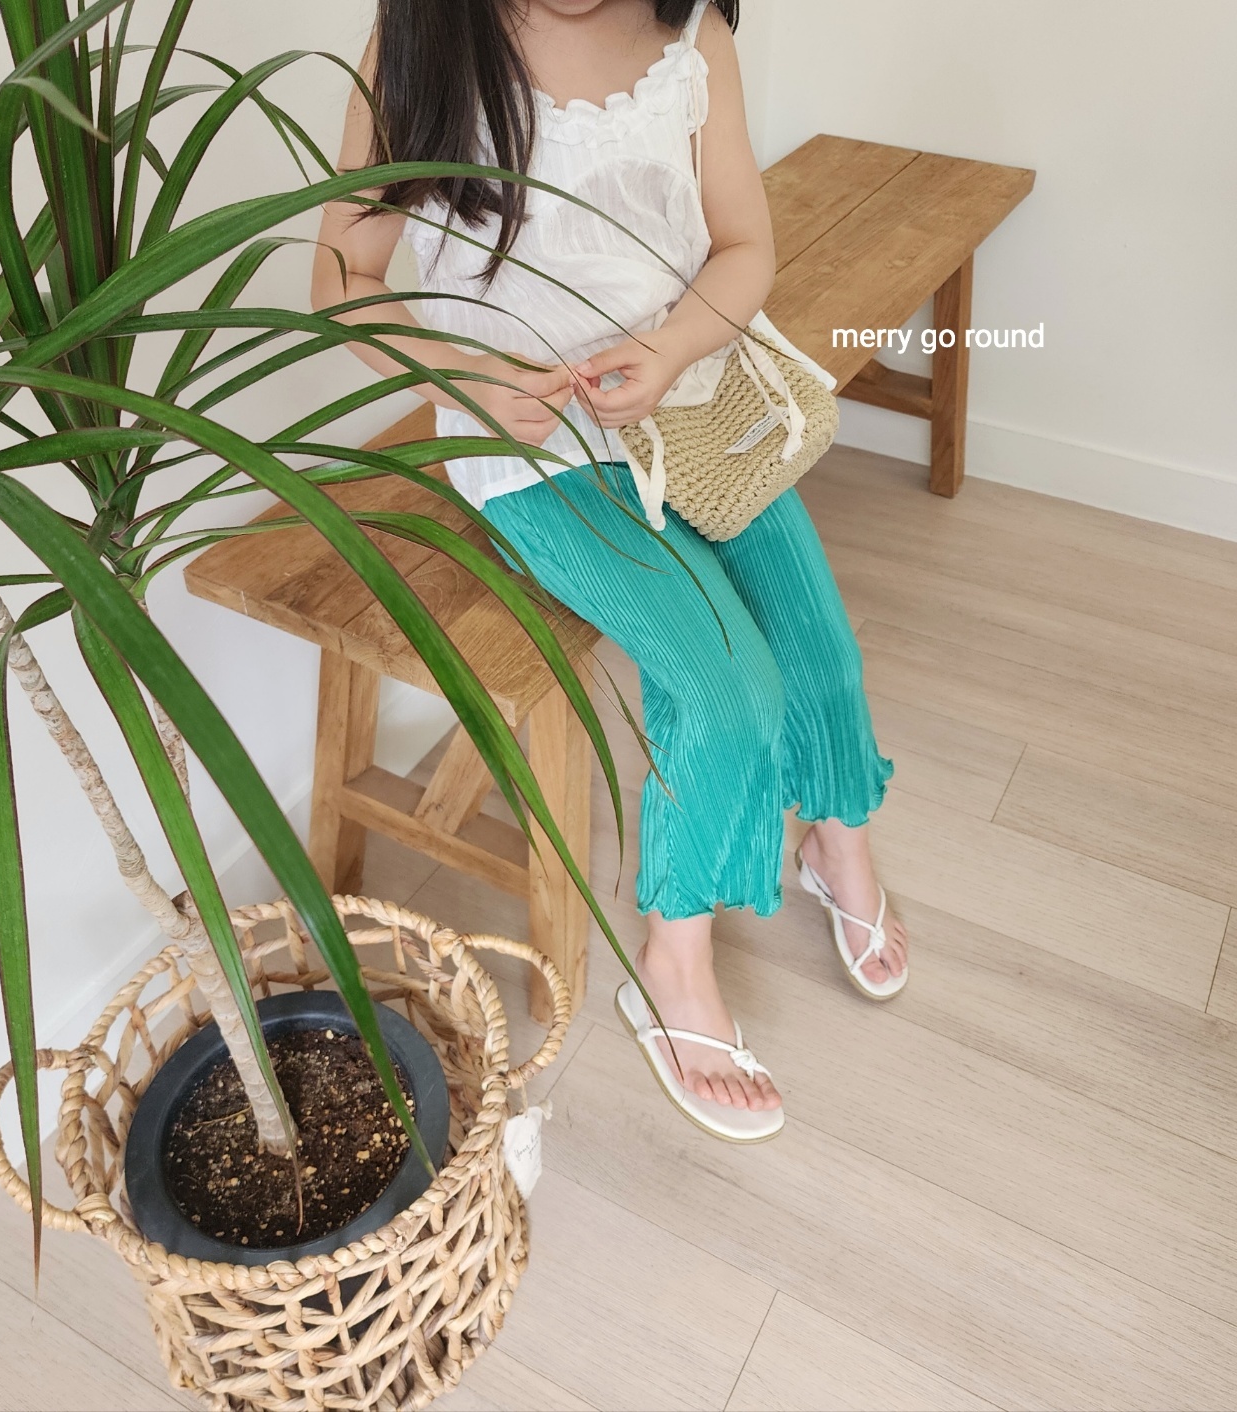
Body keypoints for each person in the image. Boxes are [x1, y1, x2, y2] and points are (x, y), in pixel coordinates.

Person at [312, 0, 907, 1143]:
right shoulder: (423, 39)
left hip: (695, 407)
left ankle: (835, 839)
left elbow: (744, 248)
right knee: (726, 687)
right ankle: (671, 961)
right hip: (534, 455)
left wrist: (672, 346)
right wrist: (462, 375)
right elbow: (341, 280)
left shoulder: (691, 33)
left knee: (820, 649)